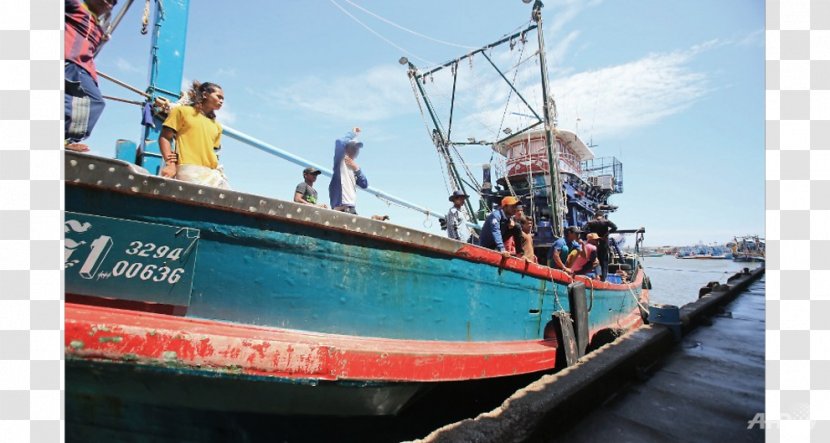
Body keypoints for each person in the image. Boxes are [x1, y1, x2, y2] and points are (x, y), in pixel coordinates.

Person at [64, 0, 116, 152]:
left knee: (95, 102)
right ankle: (66, 137)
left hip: (84, 70)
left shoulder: (99, 29)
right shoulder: (76, 8)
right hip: (71, 63)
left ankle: (68, 139)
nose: (108, 3)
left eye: (113, 2)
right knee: (80, 98)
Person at [158, 81, 229, 189]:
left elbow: (213, 153)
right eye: (218, 96)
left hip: (211, 174)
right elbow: (164, 137)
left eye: (223, 98)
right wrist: (170, 164)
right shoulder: (181, 111)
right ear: (205, 95)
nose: (222, 100)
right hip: (188, 171)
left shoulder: (217, 126)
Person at [329, 128, 368, 214]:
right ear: (346, 148)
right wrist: (353, 133)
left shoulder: (354, 168)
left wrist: (357, 169)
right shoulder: (340, 161)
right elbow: (339, 142)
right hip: (341, 209)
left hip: (351, 209)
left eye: (357, 148)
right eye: (353, 147)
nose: (355, 150)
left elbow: (364, 184)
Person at [582, 212, 618, 281]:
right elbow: (615, 227)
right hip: (603, 243)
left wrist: (590, 235)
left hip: (594, 243)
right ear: (602, 216)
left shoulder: (591, 222)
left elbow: (583, 230)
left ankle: (597, 276)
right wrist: (607, 233)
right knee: (604, 261)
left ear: (595, 216)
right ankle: (603, 279)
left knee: (595, 260)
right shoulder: (606, 221)